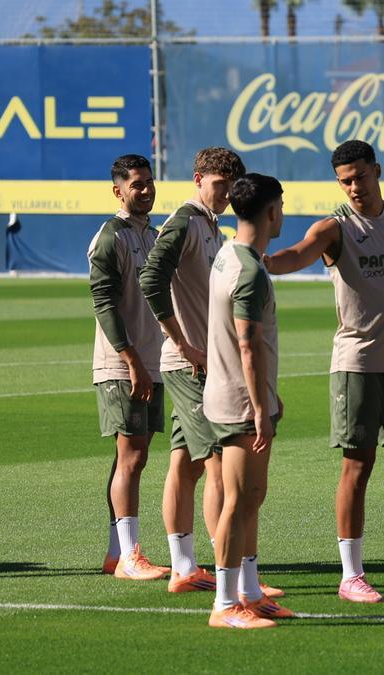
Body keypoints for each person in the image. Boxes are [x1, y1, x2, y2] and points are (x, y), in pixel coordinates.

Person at [264, 140, 384, 603]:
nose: (353, 187)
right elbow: (297, 254)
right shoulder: (335, 228)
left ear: (377, 170)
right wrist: (258, 260)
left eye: (359, 176)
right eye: (344, 180)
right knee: (358, 464)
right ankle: (351, 574)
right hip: (358, 366)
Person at [140, 147, 243, 593]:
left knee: (185, 465)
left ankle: (184, 567)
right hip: (189, 364)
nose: (225, 195)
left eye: (230, 187)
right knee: (219, 465)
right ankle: (231, 578)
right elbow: (150, 278)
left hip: (204, 362)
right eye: (219, 185)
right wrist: (181, 341)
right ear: (198, 179)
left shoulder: (209, 223)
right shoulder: (184, 221)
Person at [205, 173, 291, 628]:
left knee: (252, 496)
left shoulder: (228, 254)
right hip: (239, 402)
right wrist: (260, 408)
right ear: (272, 211)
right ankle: (224, 604)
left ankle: (250, 592)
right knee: (239, 500)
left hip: (231, 395)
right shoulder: (251, 270)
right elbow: (247, 345)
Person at [90, 154, 167, 580]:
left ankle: (115, 552)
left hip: (151, 363)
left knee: (132, 457)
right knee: (132, 457)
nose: (146, 190)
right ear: (118, 190)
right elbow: (103, 302)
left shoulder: (152, 236)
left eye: (149, 182)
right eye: (137, 184)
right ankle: (129, 557)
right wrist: (131, 359)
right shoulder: (110, 236)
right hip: (123, 365)